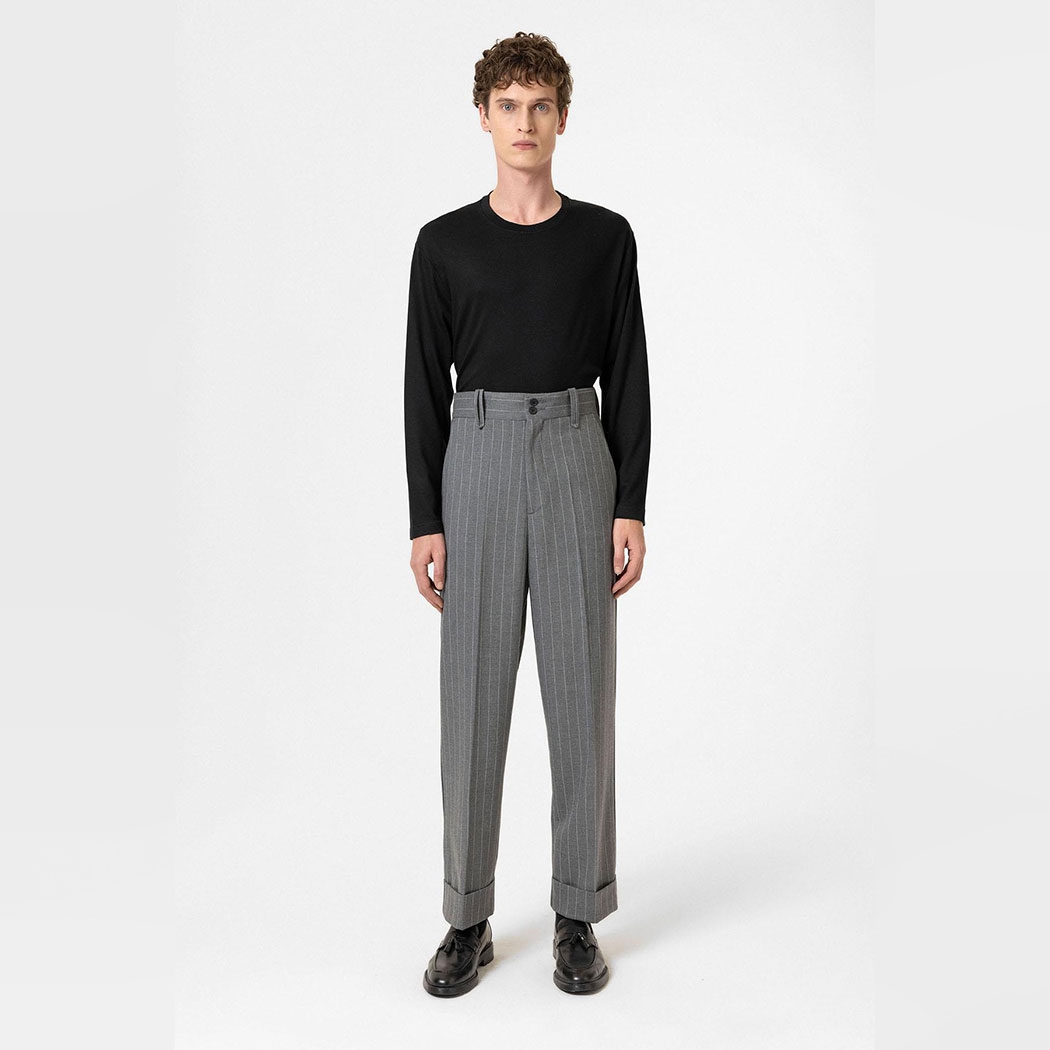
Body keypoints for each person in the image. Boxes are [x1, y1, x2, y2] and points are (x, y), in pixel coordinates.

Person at [404, 31, 651, 997]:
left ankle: (577, 912)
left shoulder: (605, 238)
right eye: (508, 105)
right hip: (477, 454)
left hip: (577, 450)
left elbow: (629, 371)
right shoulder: (443, 245)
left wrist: (629, 502)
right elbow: (422, 386)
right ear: (483, 116)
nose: (524, 122)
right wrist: (425, 519)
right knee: (472, 692)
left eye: (541, 104)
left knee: (581, 687)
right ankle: (466, 917)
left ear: (562, 118)